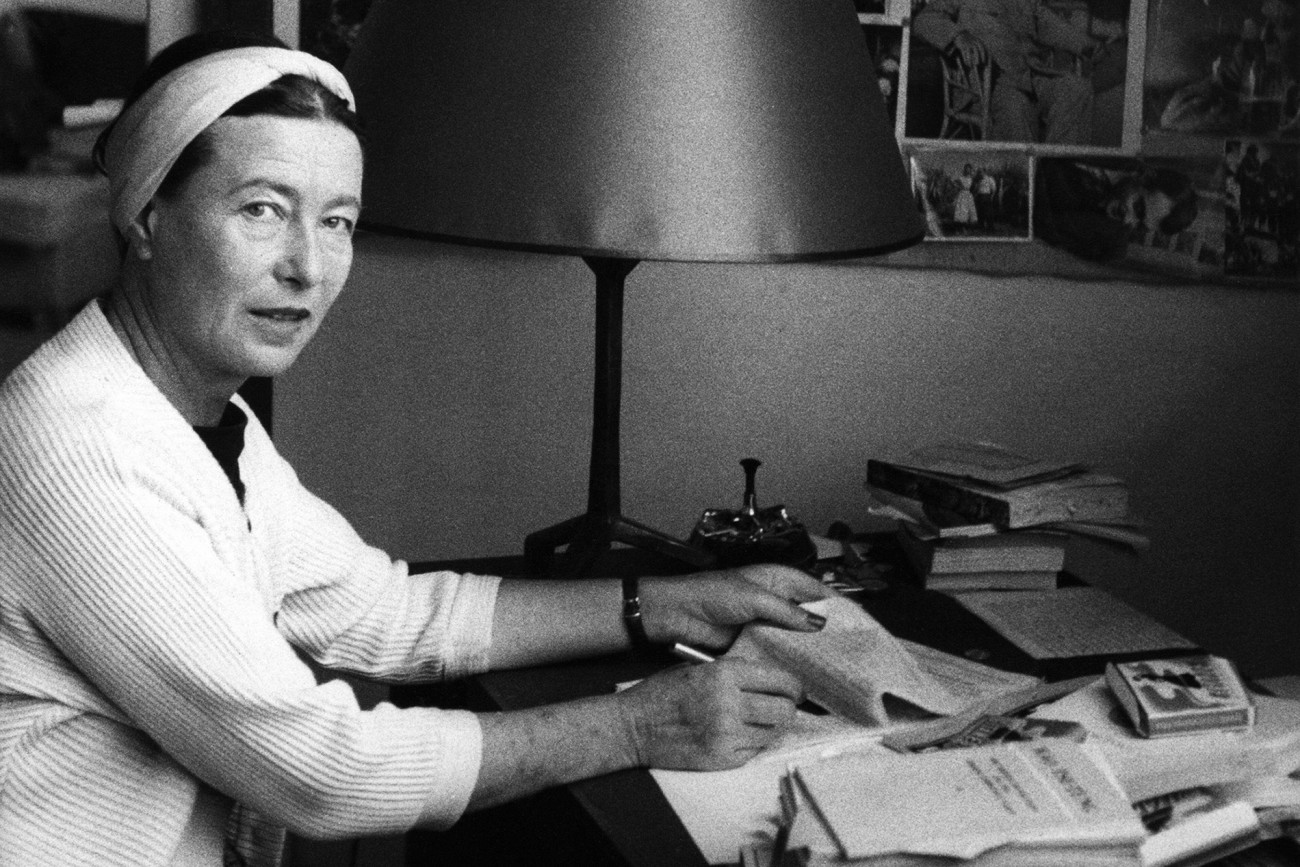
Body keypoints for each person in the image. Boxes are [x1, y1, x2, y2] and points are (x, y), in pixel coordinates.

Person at [0, 31, 837, 867]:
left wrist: (666, 603)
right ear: (147, 217)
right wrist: (638, 723)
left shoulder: (199, 415)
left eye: (336, 221)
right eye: (261, 210)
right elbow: (320, 772)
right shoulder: (86, 451)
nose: (307, 267)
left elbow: (387, 612)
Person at [911, 0, 1099, 144]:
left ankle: (1060, 169)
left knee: (1077, 90)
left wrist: (1086, 46)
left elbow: (1047, 23)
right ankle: (1025, 177)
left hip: (1032, 74)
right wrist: (958, 35)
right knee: (1018, 107)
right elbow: (923, 20)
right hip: (990, 82)